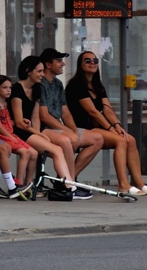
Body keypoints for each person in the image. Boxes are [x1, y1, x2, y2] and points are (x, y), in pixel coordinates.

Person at [65, 52, 147, 196]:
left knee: (130, 140)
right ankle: (123, 185)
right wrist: (110, 128)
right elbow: (93, 111)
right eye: (88, 60)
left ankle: (139, 183)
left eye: (95, 60)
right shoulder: (76, 84)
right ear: (81, 64)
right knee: (121, 141)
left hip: (97, 127)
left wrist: (117, 126)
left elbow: (107, 109)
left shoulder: (97, 85)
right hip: (82, 127)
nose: (92, 63)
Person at [9, 55, 87, 197]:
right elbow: (19, 122)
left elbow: (35, 117)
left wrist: (38, 133)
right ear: (28, 71)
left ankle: (32, 186)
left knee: (57, 149)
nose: (42, 75)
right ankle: (69, 186)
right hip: (18, 131)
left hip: (30, 131)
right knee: (57, 149)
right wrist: (39, 135)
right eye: (39, 71)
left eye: (42, 71)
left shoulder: (37, 89)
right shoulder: (17, 89)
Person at [36, 47, 104, 182]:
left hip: (58, 127)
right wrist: (68, 132)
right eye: (59, 61)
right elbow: (44, 117)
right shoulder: (39, 84)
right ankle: (68, 183)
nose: (63, 64)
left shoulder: (58, 84)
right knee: (69, 140)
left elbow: (65, 113)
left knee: (97, 139)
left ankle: (67, 179)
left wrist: (73, 130)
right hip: (43, 129)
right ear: (48, 65)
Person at [0, 74, 34, 199]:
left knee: (29, 152)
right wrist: (11, 137)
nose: (8, 90)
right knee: (24, 152)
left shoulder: (5, 104)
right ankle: (16, 184)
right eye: (4, 88)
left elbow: (5, 122)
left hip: (6, 132)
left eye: (10, 88)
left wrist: (21, 120)